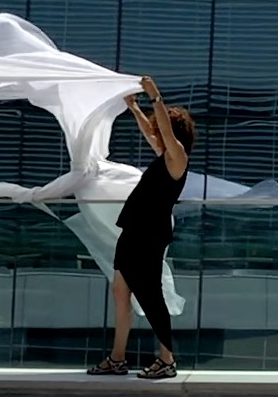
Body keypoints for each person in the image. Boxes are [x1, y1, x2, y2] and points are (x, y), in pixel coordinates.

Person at [88, 76, 197, 379]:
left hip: (149, 235)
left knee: (150, 295)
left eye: (163, 128)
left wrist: (155, 96)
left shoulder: (178, 158)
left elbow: (161, 131)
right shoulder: (165, 156)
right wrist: (134, 107)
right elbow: (151, 132)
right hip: (133, 231)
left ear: (174, 132)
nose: (156, 132)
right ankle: (117, 358)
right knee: (120, 290)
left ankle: (167, 359)